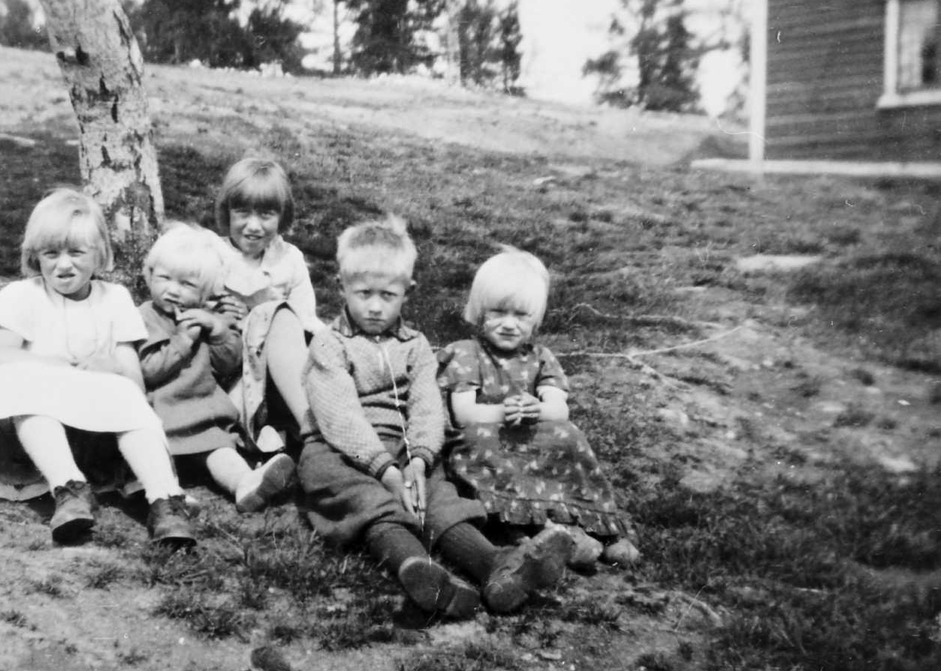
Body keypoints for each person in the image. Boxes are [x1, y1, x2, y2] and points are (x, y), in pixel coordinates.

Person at [297, 217, 574, 619]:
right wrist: (386, 471)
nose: (374, 306)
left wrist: (418, 459)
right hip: (337, 450)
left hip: (402, 447)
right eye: (363, 293)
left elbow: (428, 407)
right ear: (340, 287)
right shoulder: (330, 344)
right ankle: (415, 567)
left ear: (407, 293)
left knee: (440, 497)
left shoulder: (416, 346)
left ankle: (495, 566)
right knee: (367, 499)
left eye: (387, 295)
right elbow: (339, 416)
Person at [0, 188, 196, 546]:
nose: (64, 265)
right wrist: (53, 365)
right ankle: (68, 488)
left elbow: (134, 381)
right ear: (36, 256)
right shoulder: (25, 295)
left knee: (126, 396)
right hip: (30, 439)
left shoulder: (114, 300)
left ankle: (165, 500)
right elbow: (0, 356)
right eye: (51, 254)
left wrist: (110, 365)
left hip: (94, 434)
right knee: (23, 395)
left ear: (99, 255)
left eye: (76, 253)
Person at [436, 247, 640, 568]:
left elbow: (558, 409)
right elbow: (464, 412)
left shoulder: (540, 357)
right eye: (498, 312)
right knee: (479, 439)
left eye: (521, 315)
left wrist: (536, 409)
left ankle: (594, 526)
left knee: (567, 435)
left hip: (530, 436)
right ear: (479, 312)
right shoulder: (466, 353)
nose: (508, 324)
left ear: (536, 319)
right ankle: (531, 530)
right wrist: (503, 413)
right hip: (488, 437)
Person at [137, 223, 297, 512]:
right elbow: (148, 368)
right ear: (149, 275)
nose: (173, 290)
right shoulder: (145, 317)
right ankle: (168, 497)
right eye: (165, 278)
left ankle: (246, 484)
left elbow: (229, 363)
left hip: (205, 417)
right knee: (153, 459)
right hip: (163, 415)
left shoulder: (207, 317)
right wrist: (183, 341)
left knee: (222, 452)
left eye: (187, 285)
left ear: (206, 291)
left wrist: (219, 331)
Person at [210, 157, 325, 456]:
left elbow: (306, 321)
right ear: (227, 212)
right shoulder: (213, 255)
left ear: (282, 216)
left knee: (279, 317)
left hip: (280, 368)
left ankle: (307, 433)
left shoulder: (289, 259)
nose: (253, 226)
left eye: (265, 214)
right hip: (231, 368)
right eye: (243, 213)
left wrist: (270, 312)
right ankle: (274, 442)